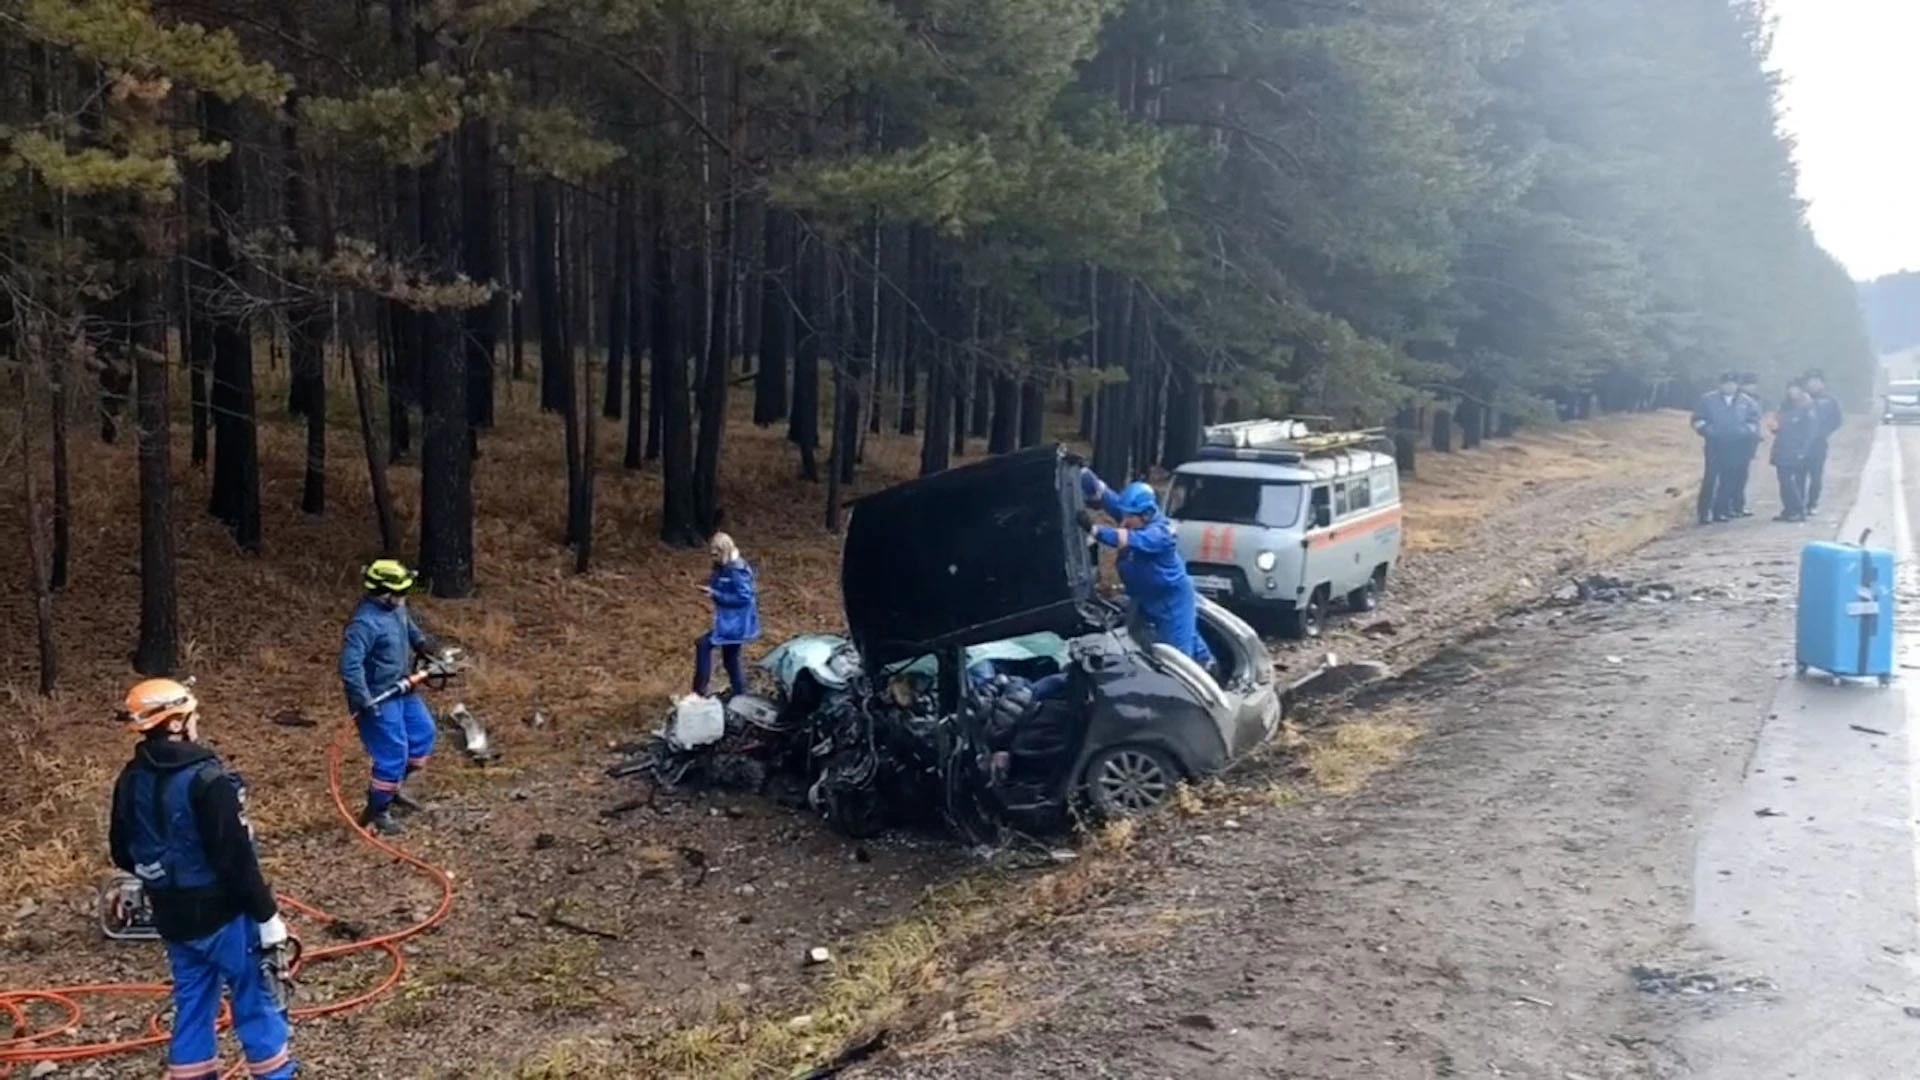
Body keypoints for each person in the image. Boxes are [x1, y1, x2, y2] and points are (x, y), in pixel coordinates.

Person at [109, 679, 299, 1080]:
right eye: (192, 714)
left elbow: (122, 850)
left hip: (173, 917)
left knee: (193, 1005)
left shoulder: (130, 778)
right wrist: (267, 917)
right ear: (177, 722)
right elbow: (236, 859)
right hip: (225, 915)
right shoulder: (207, 780)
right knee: (256, 1001)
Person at [339, 559, 444, 836]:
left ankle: (392, 789)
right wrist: (363, 699)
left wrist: (423, 644)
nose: (402, 598)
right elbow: (350, 666)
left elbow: (408, 628)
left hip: (403, 689)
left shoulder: (397, 607)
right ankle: (376, 812)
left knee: (423, 736)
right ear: (380, 592)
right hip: (378, 698)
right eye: (398, 593)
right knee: (392, 754)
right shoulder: (364, 624)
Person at [1080, 471, 1214, 666]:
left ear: (1146, 514)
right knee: (1136, 642)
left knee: (1178, 657)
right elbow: (1109, 498)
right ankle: (1205, 663)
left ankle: (1204, 677)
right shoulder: (1135, 516)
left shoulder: (1160, 534)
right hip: (1145, 597)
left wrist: (1094, 529)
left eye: (1129, 517)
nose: (1124, 521)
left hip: (1170, 601)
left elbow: (1126, 539)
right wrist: (1085, 476)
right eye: (1123, 515)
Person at [694, 532, 760, 698]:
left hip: (736, 623)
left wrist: (716, 594)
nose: (713, 556)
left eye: (716, 553)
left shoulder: (736, 570)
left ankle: (699, 691)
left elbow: (744, 597)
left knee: (703, 645)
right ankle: (740, 694)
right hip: (730, 620)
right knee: (730, 660)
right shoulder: (723, 567)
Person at [1690, 371, 1761, 525]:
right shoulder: (1708, 400)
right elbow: (1698, 419)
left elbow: (1754, 421)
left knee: (1728, 479)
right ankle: (1703, 512)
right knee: (1710, 478)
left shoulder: (1747, 402)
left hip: (1736, 445)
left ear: (1737, 386)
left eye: (1732, 384)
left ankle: (1720, 511)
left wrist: (1743, 432)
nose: (1729, 387)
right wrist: (1708, 431)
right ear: (1720, 384)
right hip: (1714, 444)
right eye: (1726, 384)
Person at [1770, 380, 1818, 523]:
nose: (1792, 392)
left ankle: (1798, 510)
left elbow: (1811, 432)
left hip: (1796, 449)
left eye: (1795, 389)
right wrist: (1774, 427)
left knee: (1792, 481)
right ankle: (1789, 509)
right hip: (1782, 447)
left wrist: (1803, 450)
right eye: (1790, 389)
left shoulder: (1807, 407)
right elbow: (1778, 425)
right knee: (1784, 481)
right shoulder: (1784, 406)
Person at [1803, 369, 1843, 514]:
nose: (1814, 385)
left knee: (1816, 475)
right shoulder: (1798, 399)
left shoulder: (1829, 401)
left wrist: (1824, 432)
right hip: (1799, 444)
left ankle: (1812, 503)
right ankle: (1798, 503)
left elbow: (1837, 420)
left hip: (1818, 444)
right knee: (1799, 474)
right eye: (1811, 382)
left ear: (1823, 384)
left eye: (1817, 382)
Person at [1727, 373, 1763, 518]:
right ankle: (1729, 505)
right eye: (1749, 384)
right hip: (1735, 443)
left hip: (1748, 443)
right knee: (1731, 476)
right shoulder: (1737, 400)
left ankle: (1738, 505)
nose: (1752, 387)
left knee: (1742, 476)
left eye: (1754, 384)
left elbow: (1755, 421)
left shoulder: (1755, 400)